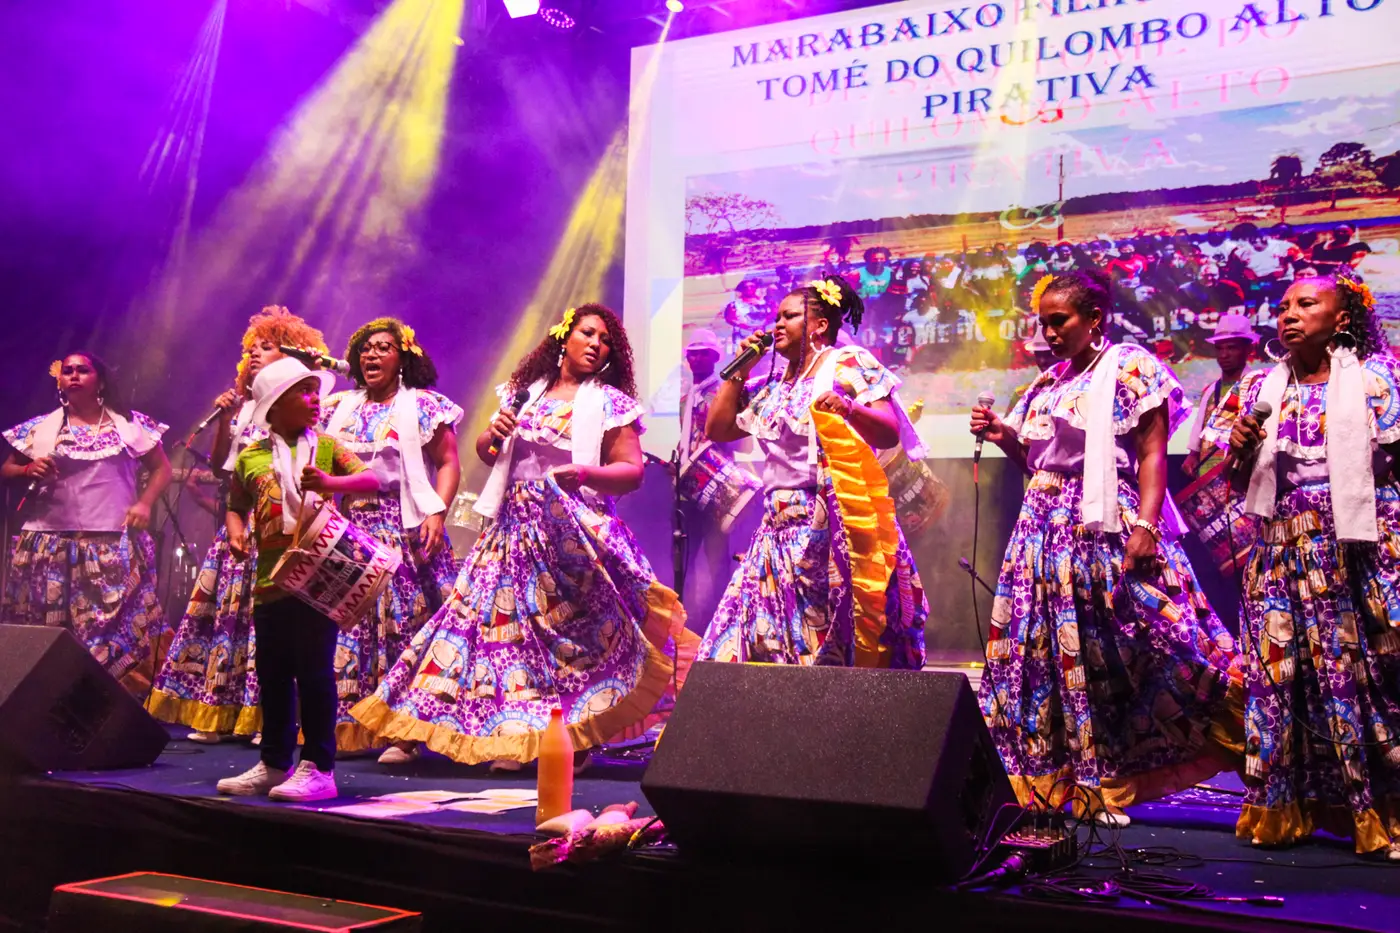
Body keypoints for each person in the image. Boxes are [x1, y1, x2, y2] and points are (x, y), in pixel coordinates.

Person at [351, 304, 692, 771]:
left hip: (572, 535)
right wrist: (492, 433)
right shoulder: (523, 394)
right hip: (512, 529)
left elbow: (631, 471)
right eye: (588, 333)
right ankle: (479, 735)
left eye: (606, 341)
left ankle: (575, 738)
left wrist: (586, 472)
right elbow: (488, 453)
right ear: (563, 339)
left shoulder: (610, 403)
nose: (596, 344)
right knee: (481, 629)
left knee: (573, 641)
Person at [969, 270, 1241, 824]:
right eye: (1042, 323)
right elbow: (1038, 466)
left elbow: (1151, 454)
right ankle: (1073, 780)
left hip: (1102, 524)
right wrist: (1003, 438)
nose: (1049, 333)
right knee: (1049, 654)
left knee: (1140, 640)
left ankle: (1228, 729)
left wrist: (1147, 527)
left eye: (1059, 321)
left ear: (1094, 318)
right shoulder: (1048, 383)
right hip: (1041, 533)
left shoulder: (1131, 366)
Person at [1227, 273, 1400, 857]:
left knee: (1359, 676)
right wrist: (1239, 448)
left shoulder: (1375, 379)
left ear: (1341, 318)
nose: (1289, 314)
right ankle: (1284, 807)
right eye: (1283, 307)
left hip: (1355, 547)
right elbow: (1238, 480)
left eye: (1306, 304)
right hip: (1280, 546)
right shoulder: (1262, 387)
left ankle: (1377, 808)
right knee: (1281, 678)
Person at [698, 274, 928, 669]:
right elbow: (717, 429)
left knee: (827, 642)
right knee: (756, 639)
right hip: (776, 529)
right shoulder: (771, 384)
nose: (777, 325)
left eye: (789, 316)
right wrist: (740, 370)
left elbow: (889, 431)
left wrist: (849, 408)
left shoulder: (847, 363)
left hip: (827, 523)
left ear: (820, 325)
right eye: (777, 317)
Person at [148, 306, 327, 743]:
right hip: (244, 526)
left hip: (285, 530)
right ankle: (219, 712)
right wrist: (226, 419)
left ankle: (267, 719)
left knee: (272, 629)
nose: (255, 354)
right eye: (252, 349)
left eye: (267, 347)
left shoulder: (304, 411)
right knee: (229, 622)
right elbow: (222, 468)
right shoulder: (246, 411)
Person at [215, 357, 379, 802]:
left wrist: (330, 482)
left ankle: (320, 767)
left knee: (314, 671)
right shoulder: (250, 456)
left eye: (314, 391)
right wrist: (235, 530)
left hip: (317, 577)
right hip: (271, 580)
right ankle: (274, 763)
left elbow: (372, 480)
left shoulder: (326, 448)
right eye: (303, 393)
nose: (314, 400)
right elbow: (235, 505)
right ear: (275, 404)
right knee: (272, 673)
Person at [320, 318, 463, 763]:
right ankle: (349, 726)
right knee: (349, 627)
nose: (372, 354)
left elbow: (448, 461)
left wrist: (437, 511)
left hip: (404, 525)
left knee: (404, 625)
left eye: (383, 347)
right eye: (365, 348)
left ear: (403, 358)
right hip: (348, 526)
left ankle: (405, 731)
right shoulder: (338, 407)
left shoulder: (422, 405)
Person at [2, 352, 171, 698]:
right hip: (49, 547)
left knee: (108, 637)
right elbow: (7, 469)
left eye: (83, 370)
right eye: (67, 371)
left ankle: (107, 706)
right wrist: (26, 470)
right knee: (51, 633)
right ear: (60, 382)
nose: (74, 375)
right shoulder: (41, 428)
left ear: (101, 380)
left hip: (109, 545)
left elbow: (162, 468)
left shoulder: (129, 426)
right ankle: (50, 705)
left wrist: (144, 503)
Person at [677, 329, 761, 630]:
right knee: (684, 556)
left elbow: (741, 439)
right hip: (689, 488)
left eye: (704, 353)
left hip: (718, 485)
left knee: (717, 558)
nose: (696, 359)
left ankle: (722, 621)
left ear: (715, 358)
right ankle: (687, 622)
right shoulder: (685, 397)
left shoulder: (724, 393)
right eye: (692, 353)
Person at [1182, 313, 1258, 480]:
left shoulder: (1258, 386)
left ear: (1248, 349)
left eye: (1231, 348)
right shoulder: (1210, 390)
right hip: (1206, 477)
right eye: (1219, 348)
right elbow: (1199, 426)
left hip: (1239, 478)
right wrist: (1192, 455)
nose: (1224, 355)